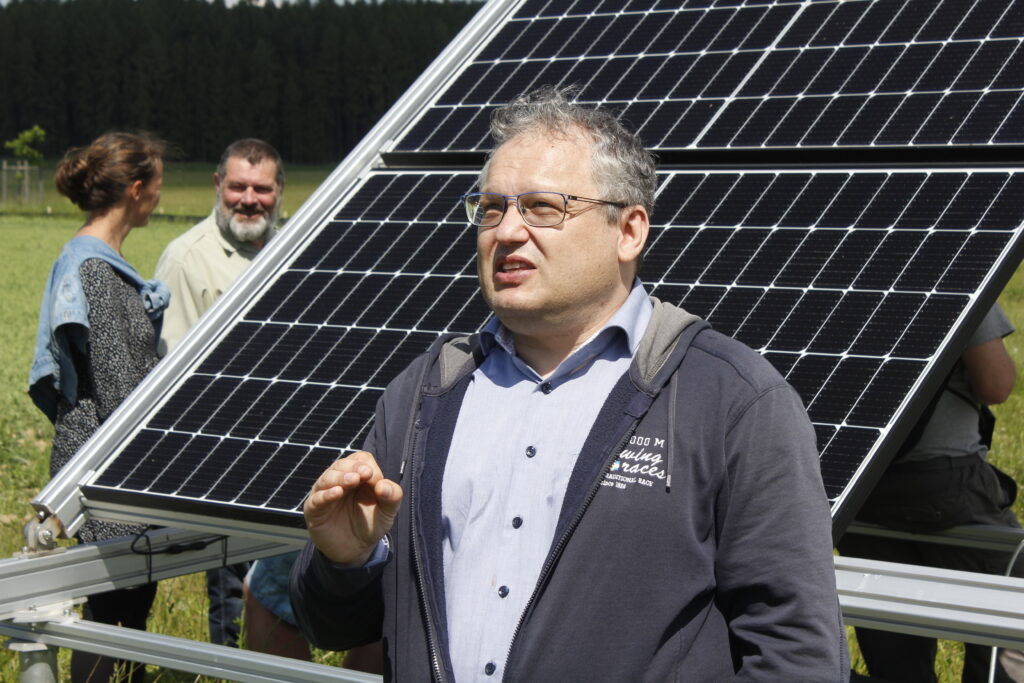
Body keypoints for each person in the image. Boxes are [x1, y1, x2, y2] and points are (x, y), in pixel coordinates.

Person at [289, 87, 848, 681]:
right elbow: (335, 628)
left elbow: (797, 652)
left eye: (542, 208)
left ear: (629, 231)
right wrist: (345, 561)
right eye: (491, 208)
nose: (505, 232)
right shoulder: (426, 393)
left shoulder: (731, 401)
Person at [29, 131, 168, 683]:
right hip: (106, 466)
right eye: (156, 185)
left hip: (109, 460)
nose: (159, 195)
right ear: (136, 190)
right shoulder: (95, 269)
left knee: (122, 609)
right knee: (112, 610)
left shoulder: (99, 261)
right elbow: (115, 383)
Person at [153, 138, 298, 652]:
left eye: (261, 188)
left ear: (280, 191)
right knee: (233, 591)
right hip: (223, 453)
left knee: (280, 585)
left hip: (289, 446)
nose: (249, 199)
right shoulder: (187, 258)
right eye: (237, 187)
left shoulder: (296, 247)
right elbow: (169, 371)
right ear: (218, 186)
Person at [839, 304, 1024, 683]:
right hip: (944, 480)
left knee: (888, 620)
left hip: (856, 481)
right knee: (1011, 599)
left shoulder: (821, 265)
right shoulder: (956, 264)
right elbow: (996, 384)